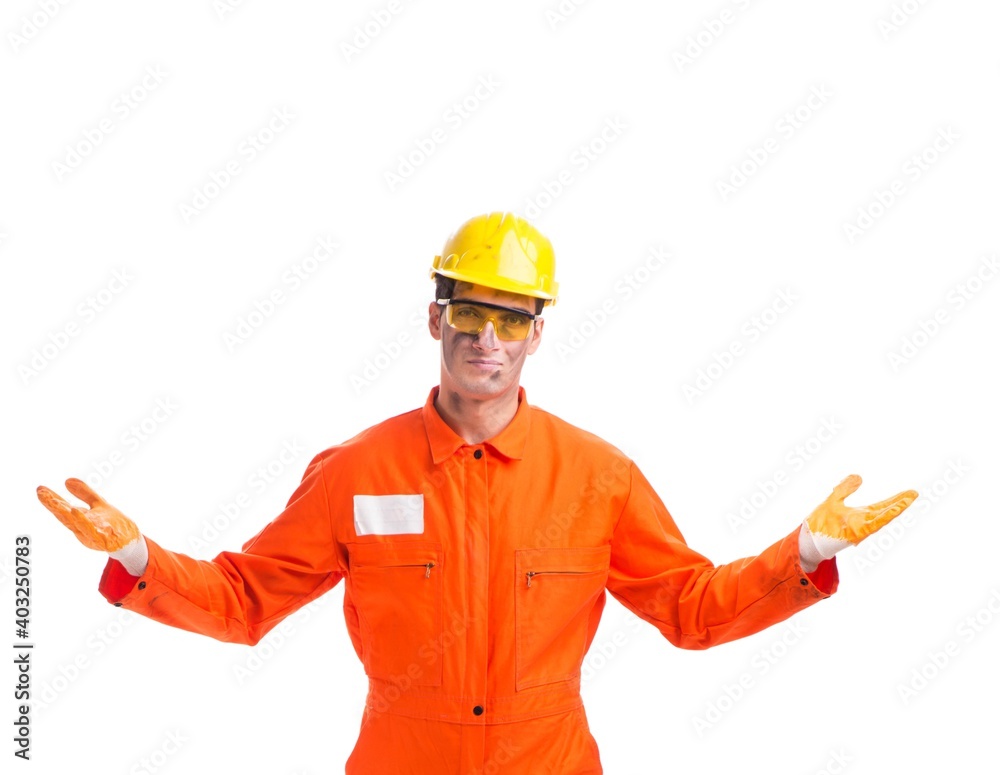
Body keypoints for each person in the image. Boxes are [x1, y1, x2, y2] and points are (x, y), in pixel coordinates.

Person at [37, 212, 917, 774]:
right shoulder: (356, 471)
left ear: (537, 333)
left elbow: (691, 609)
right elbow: (242, 600)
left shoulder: (597, 477)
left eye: (510, 317)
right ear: (436, 317)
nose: (485, 338)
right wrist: (138, 555)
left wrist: (805, 553)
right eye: (468, 312)